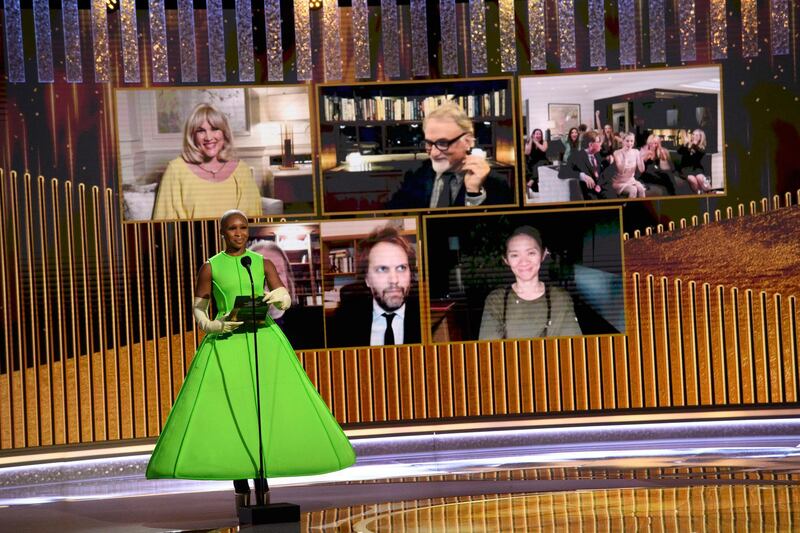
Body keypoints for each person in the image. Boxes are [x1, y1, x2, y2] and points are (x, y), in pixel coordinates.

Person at [146, 210, 355, 511]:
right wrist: (213, 325)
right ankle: (240, 484)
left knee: (265, 407)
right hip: (229, 342)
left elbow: (282, 293)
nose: (239, 233)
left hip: (263, 339)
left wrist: (280, 298)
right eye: (233, 228)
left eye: (243, 227)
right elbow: (199, 308)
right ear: (223, 232)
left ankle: (263, 479)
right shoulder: (211, 266)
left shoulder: (260, 263)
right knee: (235, 410)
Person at [386, 102, 513, 209]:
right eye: (429, 143)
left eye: (443, 143)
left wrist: (474, 194)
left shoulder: (495, 183)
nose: (434, 153)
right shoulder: (414, 175)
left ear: (467, 142)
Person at [152, 104, 263, 220]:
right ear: (192, 136)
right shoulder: (175, 170)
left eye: (215, 129)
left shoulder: (242, 170)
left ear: (224, 133)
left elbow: (253, 222)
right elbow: (163, 225)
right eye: (201, 131)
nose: (208, 137)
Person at [326, 225, 421, 348]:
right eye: (382, 269)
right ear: (367, 280)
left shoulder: (427, 320)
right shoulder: (343, 323)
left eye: (401, 268)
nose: (394, 280)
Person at [479, 226, 581, 340]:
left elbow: (571, 348)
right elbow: (488, 351)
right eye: (515, 255)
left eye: (531, 253)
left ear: (543, 254)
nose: (524, 262)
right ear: (506, 259)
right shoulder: (496, 300)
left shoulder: (560, 298)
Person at [248, 239, 324, 350]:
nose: (270, 279)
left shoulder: (312, 324)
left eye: (278, 272)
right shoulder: (231, 324)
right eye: (260, 272)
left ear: (287, 280)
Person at [558, 131, 612, 200]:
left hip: (602, 191)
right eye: (598, 142)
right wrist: (582, 175)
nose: (600, 144)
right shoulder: (576, 156)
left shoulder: (598, 155)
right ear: (591, 145)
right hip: (589, 194)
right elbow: (562, 172)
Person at [610, 132, 646, 198]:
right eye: (627, 141)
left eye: (632, 141)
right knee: (633, 190)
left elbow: (641, 170)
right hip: (619, 182)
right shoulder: (617, 153)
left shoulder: (636, 152)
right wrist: (625, 156)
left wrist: (641, 157)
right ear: (623, 141)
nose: (629, 143)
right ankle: (629, 208)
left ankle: (642, 207)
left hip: (631, 180)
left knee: (641, 189)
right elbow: (621, 171)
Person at [678, 128, 710, 193]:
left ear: (700, 138)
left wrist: (693, 145)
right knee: (692, 179)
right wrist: (686, 145)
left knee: (700, 178)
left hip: (697, 169)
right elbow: (679, 152)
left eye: (696, 135)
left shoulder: (702, 148)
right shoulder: (687, 144)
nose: (693, 136)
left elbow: (696, 158)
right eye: (693, 134)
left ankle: (712, 193)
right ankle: (700, 194)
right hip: (686, 169)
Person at [524, 128, 550, 193]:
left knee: (538, 165)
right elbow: (527, 153)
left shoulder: (544, 142)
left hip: (543, 161)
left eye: (540, 134)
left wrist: (536, 142)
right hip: (532, 162)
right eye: (537, 134)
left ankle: (532, 180)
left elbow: (543, 149)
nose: (538, 135)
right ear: (533, 135)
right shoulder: (529, 142)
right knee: (535, 190)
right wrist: (531, 141)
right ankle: (534, 184)